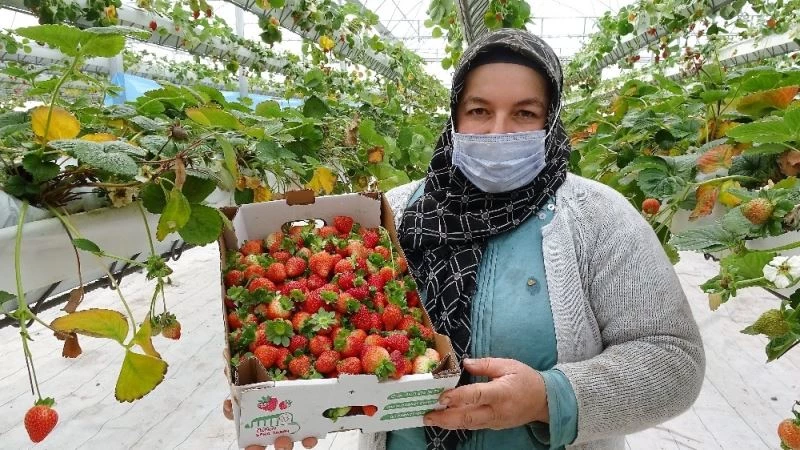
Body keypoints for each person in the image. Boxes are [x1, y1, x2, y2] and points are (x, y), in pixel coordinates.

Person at [224, 28, 705, 450]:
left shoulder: (598, 217)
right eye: (479, 110)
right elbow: (352, 342)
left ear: (552, 120)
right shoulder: (395, 211)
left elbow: (673, 358)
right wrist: (297, 400)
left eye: (524, 113)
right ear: (455, 117)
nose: (498, 131)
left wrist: (549, 397)